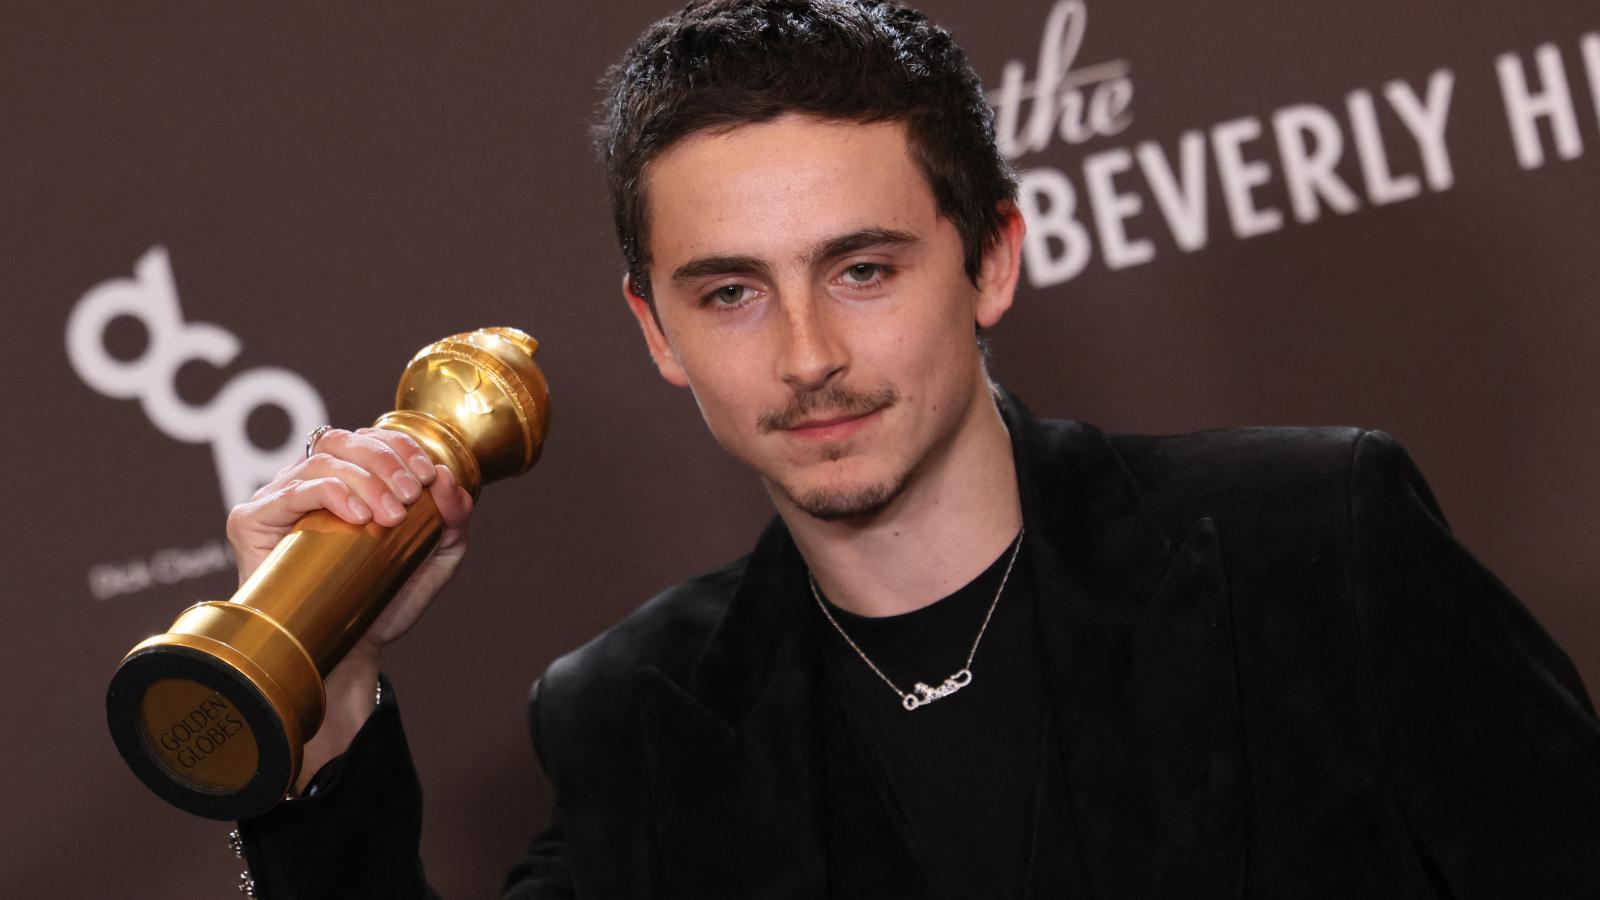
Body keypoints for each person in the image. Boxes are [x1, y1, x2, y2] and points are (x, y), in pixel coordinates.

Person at [231, 1, 1600, 897]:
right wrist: (320, 707)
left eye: (864, 270)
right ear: (657, 331)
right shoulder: (634, 719)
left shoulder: (1310, 544)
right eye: (732, 292)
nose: (807, 354)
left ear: (991, 260)